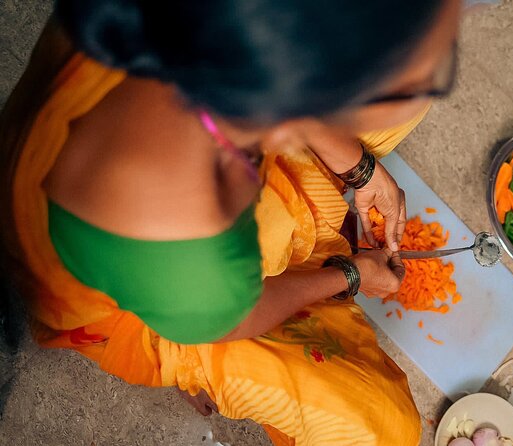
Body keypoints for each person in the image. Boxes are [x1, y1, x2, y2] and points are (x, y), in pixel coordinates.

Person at [0, 0, 462, 444]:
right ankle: (189, 365)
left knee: (387, 119)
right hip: (161, 311)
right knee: (382, 430)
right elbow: (235, 317)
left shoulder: (227, 35)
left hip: (202, 145)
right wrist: (350, 274)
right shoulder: (187, 245)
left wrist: (359, 167)